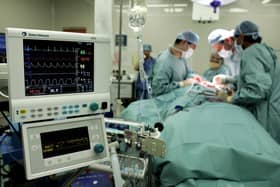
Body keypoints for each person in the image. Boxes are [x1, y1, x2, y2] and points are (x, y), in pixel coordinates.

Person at [218, 20, 280, 144]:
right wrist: (227, 79)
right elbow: (254, 78)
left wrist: (231, 98)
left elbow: (258, 91)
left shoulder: (251, 53)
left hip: (264, 116)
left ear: (241, 37)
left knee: (265, 153)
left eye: (236, 39)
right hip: (273, 112)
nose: (236, 43)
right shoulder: (264, 49)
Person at [152, 31, 201, 96]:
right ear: (184, 42)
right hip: (164, 102)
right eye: (193, 47)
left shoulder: (181, 57)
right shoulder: (164, 62)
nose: (193, 51)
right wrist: (182, 84)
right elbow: (158, 89)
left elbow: (188, 72)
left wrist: (193, 77)